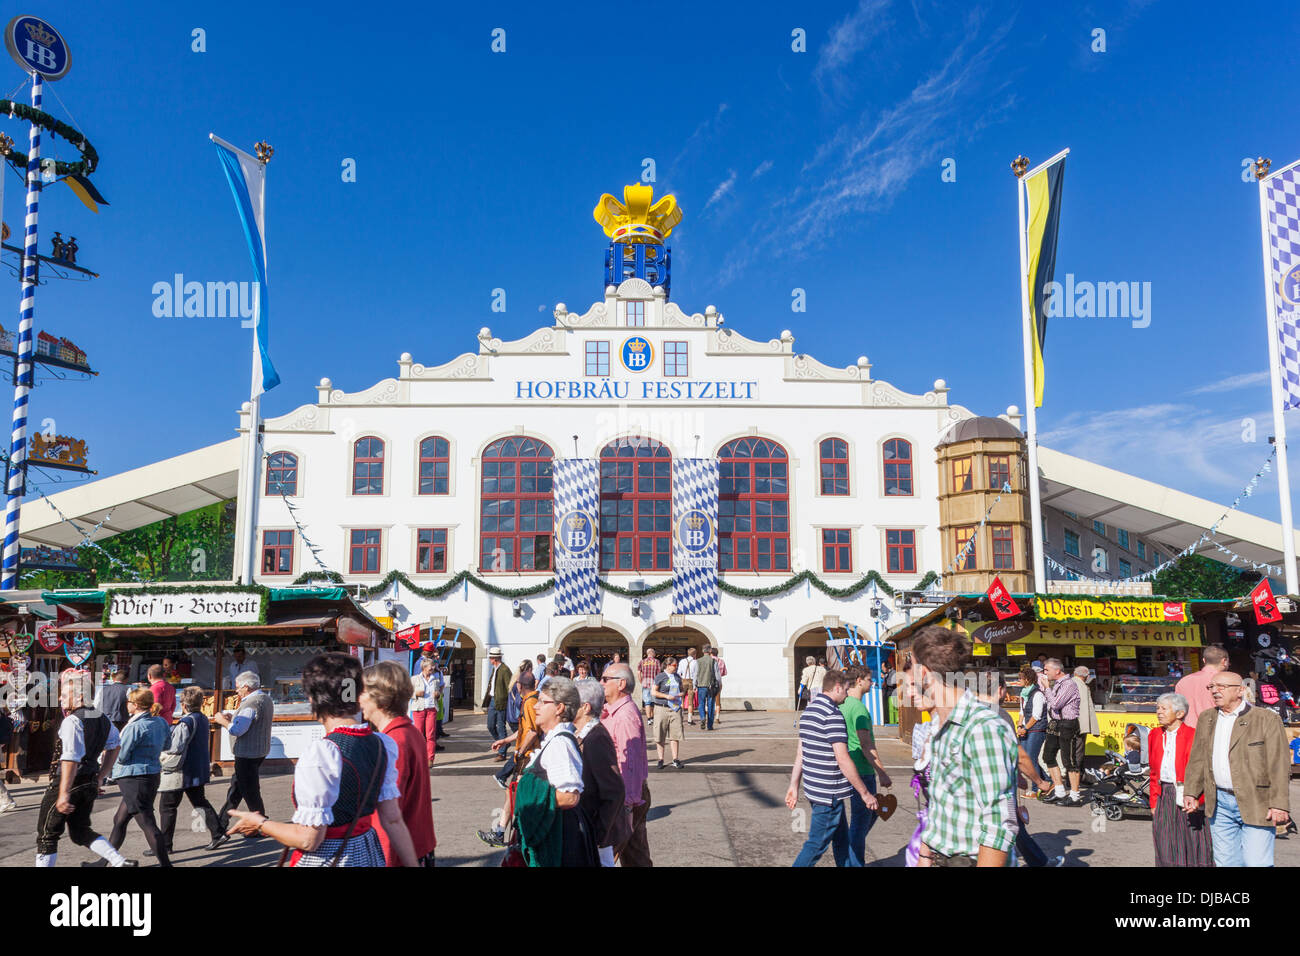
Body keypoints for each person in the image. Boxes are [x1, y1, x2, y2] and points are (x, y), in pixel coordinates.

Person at [227, 653, 417, 866]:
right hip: (367, 852)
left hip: (330, 857)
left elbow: (309, 839)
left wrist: (260, 823)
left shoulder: (323, 752)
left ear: (313, 699)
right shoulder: (382, 744)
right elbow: (392, 819)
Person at [911, 626, 1018, 867]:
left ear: (924, 674)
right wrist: (926, 857)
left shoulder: (983, 727)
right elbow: (942, 806)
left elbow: (1000, 822)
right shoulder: (940, 722)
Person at [1182, 670, 1291, 867]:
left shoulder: (1265, 718)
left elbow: (1279, 764)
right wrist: (1191, 791)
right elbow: (1197, 758)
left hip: (1257, 800)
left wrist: (1279, 803)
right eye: (1211, 687)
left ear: (1240, 690)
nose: (1215, 691)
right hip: (1220, 802)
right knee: (1225, 862)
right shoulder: (1207, 718)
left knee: (1256, 862)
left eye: (1221, 687)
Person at [35, 670, 133, 867]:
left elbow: (70, 759)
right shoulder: (103, 718)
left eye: (64, 695)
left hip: (70, 782)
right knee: (80, 831)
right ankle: (119, 862)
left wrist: (63, 793)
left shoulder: (72, 720)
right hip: (89, 780)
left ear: (79, 696)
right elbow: (115, 746)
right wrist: (100, 777)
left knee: (47, 834)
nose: (61, 699)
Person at [786, 669, 879, 866]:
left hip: (814, 790)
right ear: (837, 688)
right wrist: (864, 793)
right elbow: (843, 758)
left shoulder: (808, 711)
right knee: (816, 845)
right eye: (845, 690)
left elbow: (800, 754)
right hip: (829, 793)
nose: (847, 694)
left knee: (841, 840)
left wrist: (794, 785)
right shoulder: (833, 715)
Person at [512, 676, 597, 866]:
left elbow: (570, 797)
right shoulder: (554, 739)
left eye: (543, 702)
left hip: (562, 841)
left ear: (559, 708)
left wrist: (529, 799)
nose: (535, 706)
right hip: (557, 833)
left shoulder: (560, 744)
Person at [361, 661, 436, 866]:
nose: (359, 699)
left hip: (401, 853)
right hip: (418, 845)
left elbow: (389, 815)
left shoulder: (392, 742)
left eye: (364, 693)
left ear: (380, 701)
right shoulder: (409, 733)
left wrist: (383, 860)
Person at [104, 687, 171, 866]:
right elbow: (167, 744)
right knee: (119, 820)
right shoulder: (161, 722)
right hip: (151, 773)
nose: (127, 705)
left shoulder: (134, 726)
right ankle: (103, 861)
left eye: (129, 702)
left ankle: (166, 864)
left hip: (133, 777)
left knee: (147, 823)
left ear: (134, 705)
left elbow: (123, 755)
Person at [478, 671, 542, 847]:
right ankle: (501, 831)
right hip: (526, 754)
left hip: (528, 756)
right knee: (512, 793)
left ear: (520, 685)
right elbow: (524, 729)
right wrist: (505, 740)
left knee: (518, 794)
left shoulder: (530, 702)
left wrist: (520, 752)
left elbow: (533, 731)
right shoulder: (531, 700)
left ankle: (519, 834)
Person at [1148, 692, 1212, 867]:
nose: (1159, 712)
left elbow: (1202, 770)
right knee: (1165, 839)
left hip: (1189, 791)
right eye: (1157, 708)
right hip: (1164, 792)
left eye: (1164, 708)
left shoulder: (1194, 735)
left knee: (1193, 837)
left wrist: (1199, 798)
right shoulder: (1154, 734)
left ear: (1179, 713)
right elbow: (1154, 771)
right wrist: (1154, 801)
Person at [211, 670, 274, 845]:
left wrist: (222, 720)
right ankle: (221, 826)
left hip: (247, 753)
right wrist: (234, 718)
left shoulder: (251, 703)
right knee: (238, 789)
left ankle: (259, 825)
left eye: (238, 687)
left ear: (246, 687)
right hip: (258, 751)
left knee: (250, 791)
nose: (236, 690)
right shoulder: (265, 699)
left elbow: (237, 730)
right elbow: (251, 722)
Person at [158, 686, 222, 855]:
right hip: (197, 766)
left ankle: (165, 845)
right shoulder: (202, 718)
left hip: (183, 769)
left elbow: (176, 747)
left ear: (184, 704)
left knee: (167, 806)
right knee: (199, 801)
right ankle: (218, 833)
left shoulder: (185, 722)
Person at [600, 662, 652, 866]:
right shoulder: (613, 711)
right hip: (626, 795)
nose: (601, 683)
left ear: (620, 684)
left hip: (625, 796)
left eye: (605, 679)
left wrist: (628, 806)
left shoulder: (625, 716)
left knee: (608, 855)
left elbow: (630, 763)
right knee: (635, 855)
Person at [840, 664, 892, 866]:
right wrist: (882, 772)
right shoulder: (858, 708)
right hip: (862, 769)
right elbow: (866, 743)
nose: (874, 683)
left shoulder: (843, 705)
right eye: (870, 679)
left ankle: (850, 854)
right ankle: (854, 862)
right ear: (860, 680)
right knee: (860, 824)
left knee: (864, 818)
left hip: (848, 768)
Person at [574, 677, 625, 867]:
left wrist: (598, 833)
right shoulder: (582, 733)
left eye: (572, 703)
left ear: (585, 707)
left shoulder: (596, 738)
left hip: (595, 833)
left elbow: (614, 790)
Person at [1041, 658, 1084, 806]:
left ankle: (1075, 795)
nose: (1044, 672)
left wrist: (1047, 688)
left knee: (1069, 761)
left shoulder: (1069, 684)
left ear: (1057, 670)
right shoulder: (1057, 684)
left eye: (1046, 670)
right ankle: (1059, 790)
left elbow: (1056, 703)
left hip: (1068, 723)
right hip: (1056, 722)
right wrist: (1046, 688)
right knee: (1048, 756)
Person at [1174, 644, 1229, 729]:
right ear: (1224, 661)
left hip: (1189, 734)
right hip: (1216, 732)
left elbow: (1177, 710)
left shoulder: (1183, 681)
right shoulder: (1226, 682)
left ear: (1204, 660)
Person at [1016, 664, 1049, 797]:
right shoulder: (1023, 694)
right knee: (1025, 758)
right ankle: (1047, 781)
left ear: (1027, 680)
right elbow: (1021, 712)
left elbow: (1036, 715)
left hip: (1036, 730)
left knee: (1030, 758)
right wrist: (1019, 727)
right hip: (1026, 729)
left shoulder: (1037, 694)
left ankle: (1035, 789)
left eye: (1021, 679)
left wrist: (1025, 728)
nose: (1019, 681)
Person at [652, 657, 685, 769]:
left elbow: (681, 689)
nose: (676, 667)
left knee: (675, 734)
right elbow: (653, 692)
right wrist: (666, 696)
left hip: (675, 708)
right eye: (674, 665)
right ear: (668, 665)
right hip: (662, 707)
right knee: (660, 734)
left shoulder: (677, 677)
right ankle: (660, 759)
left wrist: (681, 693)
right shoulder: (660, 676)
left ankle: (675, 758)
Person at [409, 657, 440, 766]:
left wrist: (438, 695)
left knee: (430, 735)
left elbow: (439, 695)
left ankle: (430, 759)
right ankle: (418, 758)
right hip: (419, 709)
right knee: (419, 735)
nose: (433, 667)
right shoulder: (414, 679)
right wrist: (416, 694)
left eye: (433, 666)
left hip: (431, 709)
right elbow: (408, 692)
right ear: (424, 667)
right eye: (430, 666)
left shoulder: (436, 680)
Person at [1072, 665, 1100, 778]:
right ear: (1087, 676)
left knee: (1075, 751)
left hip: (1072, 723)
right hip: (1079, 724)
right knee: (1078, 751)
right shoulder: (1082, 686)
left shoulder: (1070, 684)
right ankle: (1075, 777)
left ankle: (1079, 776)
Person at [482, 647, 512, 747]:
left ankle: (502, 752)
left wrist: (508, 701)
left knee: (501, 727)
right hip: (492, 700)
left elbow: (510, 686)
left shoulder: (505, 670)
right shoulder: (495, 669)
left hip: (501, 701)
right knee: (490, 726)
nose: (490, 660)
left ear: (494, 659)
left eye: (490, 658)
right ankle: (503, 743)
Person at [695, 645, 718, 731]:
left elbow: (695, 674)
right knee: (711, 705)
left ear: (702, 651)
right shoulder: (713, 661)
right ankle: (710, 725)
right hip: (711, 686)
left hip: (701, 686)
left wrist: (694, 685)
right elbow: (717, 675)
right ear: (710, 651)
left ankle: (702, 717)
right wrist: (719, 684)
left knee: (701, 703)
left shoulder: (698, 661)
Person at [638, 648, 660, 726]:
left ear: (647, 653)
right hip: (654, 683)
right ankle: (652, 717)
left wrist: (641, 681)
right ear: (653, 653)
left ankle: (649, 719)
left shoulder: (642, 661)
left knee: (647, 702)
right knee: (653, 702)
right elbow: (658, 674)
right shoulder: (656, 661)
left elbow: (638, 672)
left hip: (645, 683)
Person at [679, 647, 699, 725]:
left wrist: (682, 679)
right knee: (690, 701)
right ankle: (689, 720)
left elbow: (678, 672)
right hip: (691, 682)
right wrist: (695, 685)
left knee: (681, 699)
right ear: (694, 654)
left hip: (683, 681)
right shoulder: (695, 662)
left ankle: (680, 718)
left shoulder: (682, 661)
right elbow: (696, 675)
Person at [712, 647, 728, 724]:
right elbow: (725, 673)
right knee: (717, 700)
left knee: (708, 699)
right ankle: (717, 717)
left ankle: (709, 716)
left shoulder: (709, 660)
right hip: (718, 682)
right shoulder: (721, 661)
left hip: (709, 682)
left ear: (711, 653)